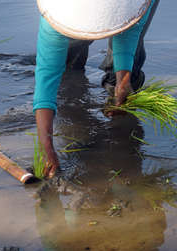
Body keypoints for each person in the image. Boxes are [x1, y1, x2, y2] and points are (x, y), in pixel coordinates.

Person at [33, 0, 160, 178]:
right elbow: (46, 79)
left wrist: (123, 80)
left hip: (128, 6)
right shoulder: (55, 17)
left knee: (130, 63)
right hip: (72, 13)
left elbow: (128, 33)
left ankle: (119, 104)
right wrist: (46, 148)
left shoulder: (135, 5)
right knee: (68, 52)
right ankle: (70, 80)